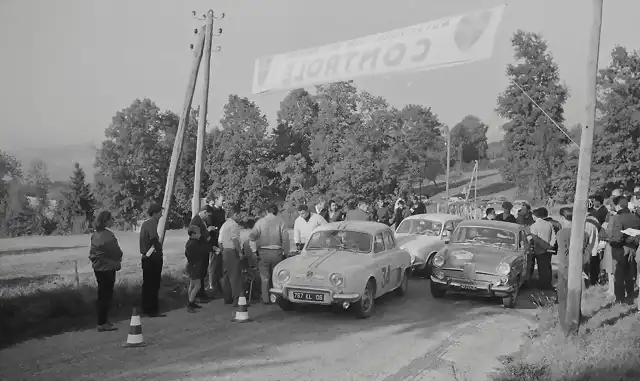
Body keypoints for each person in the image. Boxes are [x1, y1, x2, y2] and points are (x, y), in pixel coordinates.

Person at [555, 207, 589, 333]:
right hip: (579, 268)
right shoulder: (584, 233)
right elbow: (586, 253)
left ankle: (565, 324)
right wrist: (580, 266)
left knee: (563, 297)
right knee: (576, 295)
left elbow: (563, 255)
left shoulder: (562, 233)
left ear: (563, 218)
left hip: (565, 268)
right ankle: (577, 319)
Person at [89, 211, 123, 332]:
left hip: (98, 268)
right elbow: (116, 252)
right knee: (106, 295)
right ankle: (102, 323)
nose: (112, 221)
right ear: (105, 221)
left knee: (102, 294)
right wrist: (118, 257)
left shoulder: (95, 234)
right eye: (111, 219)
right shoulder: (108, 236)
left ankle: (102, 320)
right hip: (108, 267)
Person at [249, 204, 290, 304]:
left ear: (267, 211)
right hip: (277, 252)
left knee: (265, 278)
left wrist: (254, 251)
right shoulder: (281, 222)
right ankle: (277, 298)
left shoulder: (260, 222)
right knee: (276, 277)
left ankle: (266, 299)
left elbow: (251, 237)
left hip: (263, 252)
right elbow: (285, 239)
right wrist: (286, 252)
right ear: (276, 212)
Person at [608, 195, 640, 303]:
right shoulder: (635, 217)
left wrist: (611, 241)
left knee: (619, 274)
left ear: (617, 206)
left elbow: (617, 238)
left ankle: (620, 298)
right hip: (633, 248)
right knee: (630, 273)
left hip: (620, 249)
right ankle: (630, 295)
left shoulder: (616, 218)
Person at [139, 203, 166, 318]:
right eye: (160, 213)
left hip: (146, 257)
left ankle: (146, 308)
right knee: (153, 284)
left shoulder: (145, 223)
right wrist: (159, 248)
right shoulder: (151, 223)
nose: (161, 215)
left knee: (147, 284)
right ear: (154, 213)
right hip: (152, 257)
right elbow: (153, 238)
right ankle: (153, 310)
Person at [218, 205, 244, 306]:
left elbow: (220, 242)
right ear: (235, 214)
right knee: (235, 276)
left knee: (226, 276)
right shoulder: (234, 225)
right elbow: (235, 239)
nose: (239, 217)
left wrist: (222, 251)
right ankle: (237, 299)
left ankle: (227, 297)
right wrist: (240, 252)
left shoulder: (223, 226)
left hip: (224, 251)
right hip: (232, 251)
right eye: (238, 215)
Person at [189, 205, 213, 303]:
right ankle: (197, 296)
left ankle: (202, 293)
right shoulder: (196, 220)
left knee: (203, 272)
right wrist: (208, 231)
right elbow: (194, 234)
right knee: (199, 273)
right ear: (204, 212)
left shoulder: (202, 220)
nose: (208, 217)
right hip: (198, 250)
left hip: (203, 249)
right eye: (207, 215)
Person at [527, 207, 556, 289]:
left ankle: (540, 284)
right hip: (548, 249)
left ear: (535, 216)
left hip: (538, 249)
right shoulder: (549, 224)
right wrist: (550, 245)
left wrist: (543, 246)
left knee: (538, 267)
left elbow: (534, 238)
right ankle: (547, 282)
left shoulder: (534, 226)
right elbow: (554, 236)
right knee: (547, 267)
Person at [206, 195, 226, 298]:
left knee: (220, 265)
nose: (224, 202)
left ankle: (220, 286)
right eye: (222, 200)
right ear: (216, 200)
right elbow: (209, 226)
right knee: (213, 265)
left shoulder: (222, 212)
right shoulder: (211, 211)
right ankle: (212, 286)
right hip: (214, 241)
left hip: (222, 240)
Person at [185, 225, 206, 313]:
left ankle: (192, 301)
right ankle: (190, 304)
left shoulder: (191, 242)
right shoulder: (193, 244)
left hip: (192, 265)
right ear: (193, 234)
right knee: (197, 286)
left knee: (192, 285)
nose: (200, 234)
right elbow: (191, 255)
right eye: (198, 233)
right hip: (195, 266)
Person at [584, 215, 602, 287]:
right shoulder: (592, 225)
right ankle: (592, 282)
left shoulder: (577, 225)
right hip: (591, 250)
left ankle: (586, 284)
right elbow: (594, 239)